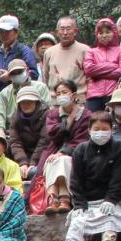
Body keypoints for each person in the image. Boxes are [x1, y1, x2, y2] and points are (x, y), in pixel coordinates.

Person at [59, 110, 121, 241]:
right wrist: (79, 204)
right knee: (77, 223)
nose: (101, 132)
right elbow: (76, 180)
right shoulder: (80, 150)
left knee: (110, 224)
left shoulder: (119, 148)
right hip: (87, 203)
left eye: (104, 129)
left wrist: (111, 199)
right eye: (97, 129)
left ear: (111, 129)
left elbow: (119, 178)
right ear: (90, 130)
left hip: (110, 202)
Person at [34, 78, 91, 213]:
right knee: (53, 160)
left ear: (74, 94)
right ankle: (54, 198)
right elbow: (52, 133)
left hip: (77, 153)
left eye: (64, 92)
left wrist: (65, 151)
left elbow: (83, 139)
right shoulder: (53, 114)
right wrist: (67, 123)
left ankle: (64, 198)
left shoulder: (86, 115)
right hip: (53, 150)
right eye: (58, 94)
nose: (61, 96)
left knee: (63, 160)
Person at [82, 18, 121, 111]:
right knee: (94, 121)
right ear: (97, 35)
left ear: (114, 32)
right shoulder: (91, 52)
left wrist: (97, 74)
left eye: (107, 32)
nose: (104, 35)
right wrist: (113, 66)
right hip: (94, 95)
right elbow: (88, 70)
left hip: (115, 93)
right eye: (100, 33)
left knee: (114, 122)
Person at [40, 16, 91, 103]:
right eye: (62, 29)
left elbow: (90, 78)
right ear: (57, 32)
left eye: (68, 29)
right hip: (55, 101)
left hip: (78, 101)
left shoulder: (85, 50)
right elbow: (45, 78)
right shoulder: (49, 52)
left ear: (75, 31)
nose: (65, 33)